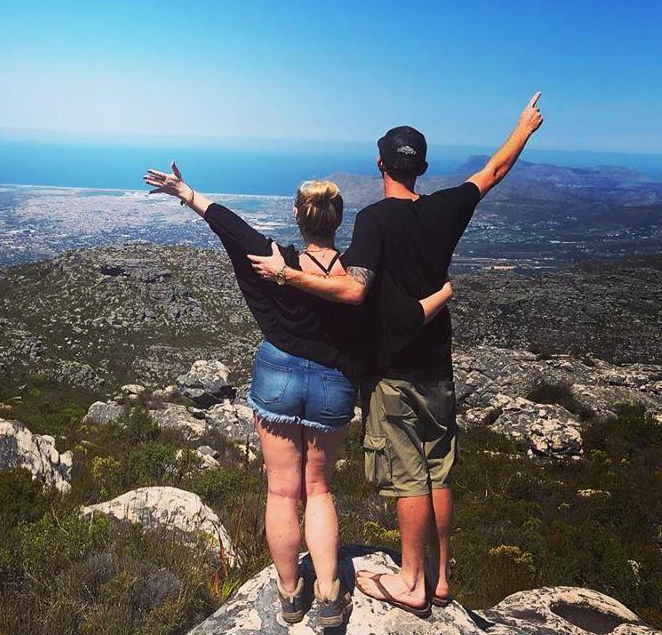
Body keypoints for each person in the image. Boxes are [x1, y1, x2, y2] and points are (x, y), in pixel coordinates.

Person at [249, 93, 544, 617]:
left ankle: (411, 581)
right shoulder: (448, 208)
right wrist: (524, 126)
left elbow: (353, 290)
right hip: (439, 367)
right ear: (422, 169)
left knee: (409, 476)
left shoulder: (375, 221)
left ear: (381, 164)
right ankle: (442, 576)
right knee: (439, 470)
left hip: (394, 369)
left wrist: (287, 275)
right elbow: (494, 170)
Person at [143, 162, 452, 626]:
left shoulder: (274, 261)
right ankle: (329, 593)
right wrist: (442, 294)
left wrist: (186, 191)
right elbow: (401, 318)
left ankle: (290, 594)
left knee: (282, 491)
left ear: (297, 217)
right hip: (333, 383)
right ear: (338, 220)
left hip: (276, 377)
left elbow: (229, 225)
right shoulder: (356, 279)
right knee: (319, 489)